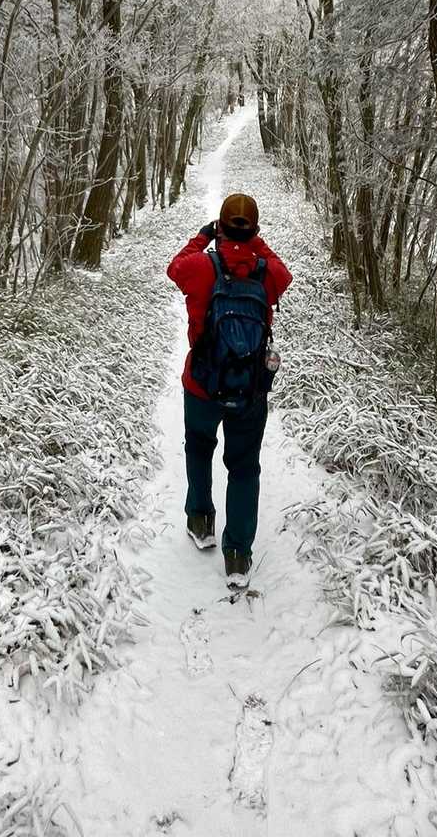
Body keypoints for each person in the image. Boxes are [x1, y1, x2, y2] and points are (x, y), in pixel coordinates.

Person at [166, 192, 292, 588]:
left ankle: (200, 520)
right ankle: (237, 555)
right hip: (249, 390)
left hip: (201, 384)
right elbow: (284, 274)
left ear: (220, 226)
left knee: (199, 447)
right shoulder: (266, 273)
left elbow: (174, 267)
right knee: (243, 467)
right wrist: (255, 243)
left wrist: (205, 236)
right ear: (254, 230)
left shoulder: (200, 266)